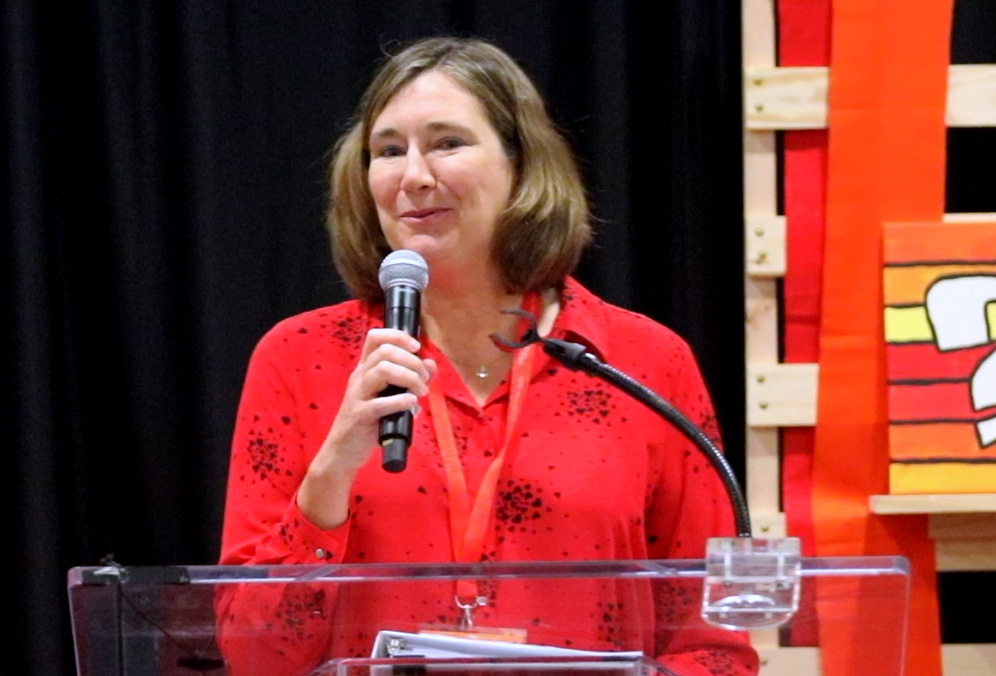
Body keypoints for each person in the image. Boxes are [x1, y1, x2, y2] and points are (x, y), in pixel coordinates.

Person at [217, 36, 758, 676]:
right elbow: (253, 656)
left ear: (522, 166)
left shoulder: (643, 361)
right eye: (389, 150)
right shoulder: (299, 360)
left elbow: (715, 648)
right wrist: (332, 470)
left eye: (447, 143)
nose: (414, 175)